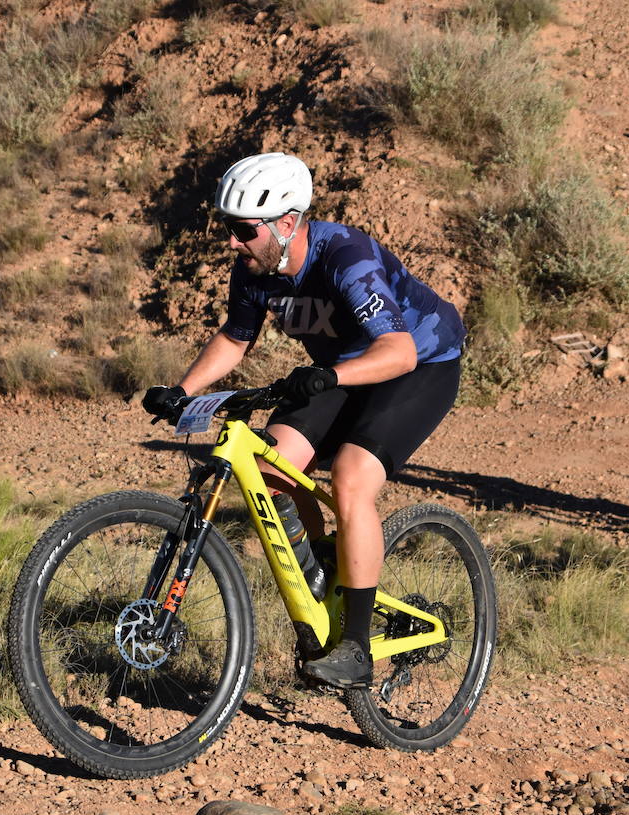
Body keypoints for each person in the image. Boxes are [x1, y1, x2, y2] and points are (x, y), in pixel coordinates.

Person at [140, 152, 466, 688]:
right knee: (271, 471)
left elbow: (399, 352)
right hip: (340, 369)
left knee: (351, 479)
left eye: (244, 230)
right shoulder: (255, 268)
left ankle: (356, 648)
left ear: (286, 223)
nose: (232, 243)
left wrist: (330, 376)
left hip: (419, 364)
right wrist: (182, 390)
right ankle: (320, 577)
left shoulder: (345, 257)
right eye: (228, 228)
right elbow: (236, 338)